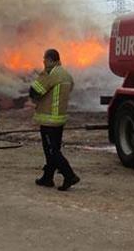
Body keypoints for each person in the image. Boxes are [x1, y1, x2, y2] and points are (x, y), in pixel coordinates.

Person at [29, 49, 80, 191]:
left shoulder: (51, 74)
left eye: (44, 59)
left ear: (51, 60)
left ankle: (69, 175)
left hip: (48, 119)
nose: (43, 62)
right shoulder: (67, 75)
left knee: (52, 151)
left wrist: (37, 98)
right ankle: (47, 178)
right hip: (60, 118)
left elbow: (34, 91)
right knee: (53, 149)